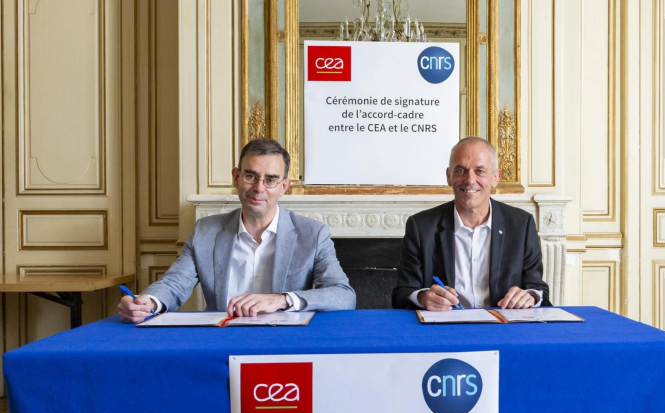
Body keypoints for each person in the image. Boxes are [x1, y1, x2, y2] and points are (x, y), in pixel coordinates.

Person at [119, 138, 356, 323]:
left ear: (284, 186)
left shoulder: (312, 234)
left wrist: (282, 300)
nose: (259, 188)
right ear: (236, 177)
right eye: (251, 176)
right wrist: (148, 302)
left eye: (271, 180)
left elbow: (343, 294)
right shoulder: (206, 231)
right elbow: (174, 284)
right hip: (221, 340)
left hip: (285, 342)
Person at [392, 136, 550, 311]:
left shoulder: (521, 225)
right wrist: (422, 297)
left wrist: (530, 296)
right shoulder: (421, 227)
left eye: (480, 171)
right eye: (460, 170)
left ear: (496, 177)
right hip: (447, 324)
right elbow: (402, 293)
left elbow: (538, 289)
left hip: (502, 324)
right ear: (449, 176)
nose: (470, 180)